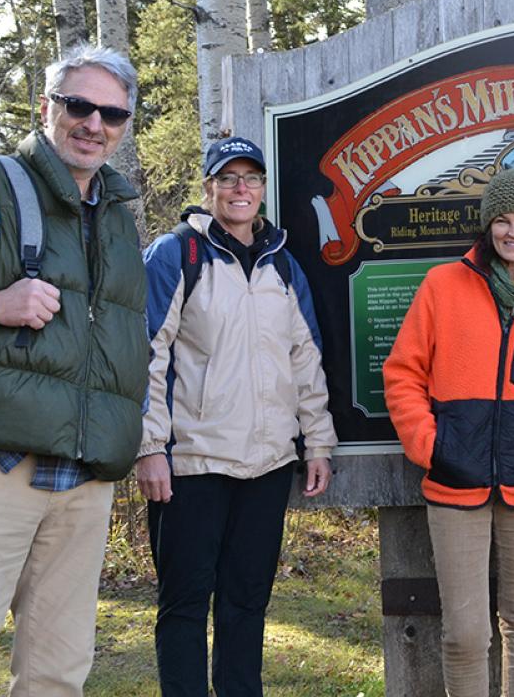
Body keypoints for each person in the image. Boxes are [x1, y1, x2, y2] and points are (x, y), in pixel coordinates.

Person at [0, 45, 148, 696]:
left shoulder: (117, 220)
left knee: (57, 678)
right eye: (79, 105)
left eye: (112, 113)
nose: (94, 123)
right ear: (46, 106)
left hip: (80, 485)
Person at [135, 136, 337, 696]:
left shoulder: (282, 264)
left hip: (268, 465)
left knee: (247, 603)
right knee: (184, 605)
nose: (240, 188)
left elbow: (305, 358)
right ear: (209, 189)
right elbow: (146, 354)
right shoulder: (177, 254)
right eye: (228, 178)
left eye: (250, 178)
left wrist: (317, 442)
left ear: (264, 190)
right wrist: (150, 449)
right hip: (192, 465)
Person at [383, 167, 514, 697]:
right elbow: (402, 373)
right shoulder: (441, 286)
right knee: (465, 633)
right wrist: (432, 448)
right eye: (502, 220)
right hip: (455, 482)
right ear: (487, 226)